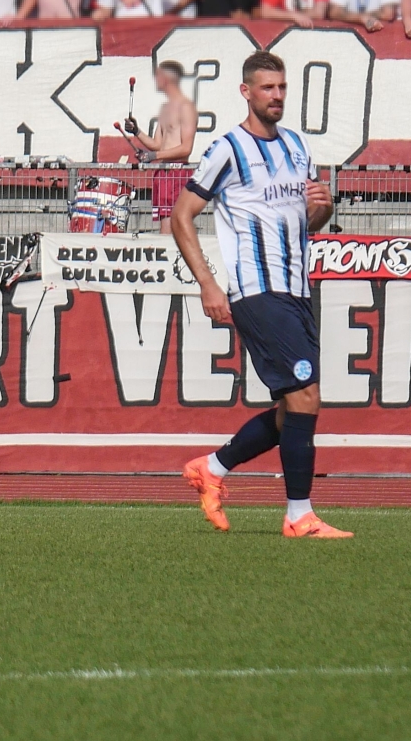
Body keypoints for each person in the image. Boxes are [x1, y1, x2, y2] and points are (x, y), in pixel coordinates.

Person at [175, 50, 350, 541]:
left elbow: (307, 224)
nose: (276, 96)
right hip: (257, 289)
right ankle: (299, 516)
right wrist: (208, 283)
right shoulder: (228, 149)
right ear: (246, 91)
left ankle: (212, 467)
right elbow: (182, 215)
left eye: (282, 87)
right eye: (267, 88)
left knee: (293, 406)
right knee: (306, 396)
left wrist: (323, 208)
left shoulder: (296, 146)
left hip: (296, 288)